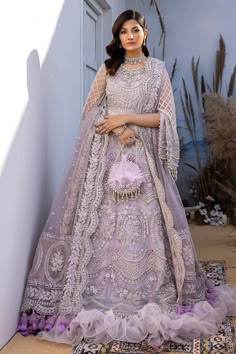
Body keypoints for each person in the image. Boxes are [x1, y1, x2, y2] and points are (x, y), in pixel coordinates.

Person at [18, 9, 236, 347]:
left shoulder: (157, 70)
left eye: (135, 30)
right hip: (107, 157)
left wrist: (129, 117)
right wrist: (118, 127)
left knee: (146, 223)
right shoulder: (108, 70)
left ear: (144, 33)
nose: (129, 36)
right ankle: (94, 293)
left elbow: (164, 117)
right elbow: (91, 111)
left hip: (145, 159)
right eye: (123, 31)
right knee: (103, 222)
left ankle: (149, 293)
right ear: (118, 37)